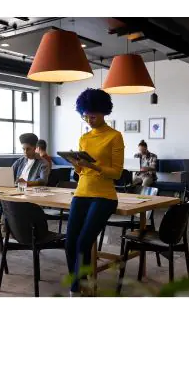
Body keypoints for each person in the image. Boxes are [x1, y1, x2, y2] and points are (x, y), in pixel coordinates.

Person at [66, 88, 124, 296]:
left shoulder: (115, 136)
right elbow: (82, 172)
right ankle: (80, 284)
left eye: (93, 116)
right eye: (85, 116)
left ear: (103, 112)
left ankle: (76, 289)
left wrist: (94, 166)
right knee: (69, 243)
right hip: (81, 193)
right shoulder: (84, 138)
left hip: (104, 196)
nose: (89, 120)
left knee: (83, 242)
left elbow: (117, 173)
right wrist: (76, 165)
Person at [0, 132, 50, 253]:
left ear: (35, 148)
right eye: (23, 149)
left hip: (29, 193)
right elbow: (9, 173)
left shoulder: (43, 163)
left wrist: (26, 183)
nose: (25, 152)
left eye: (28, 149)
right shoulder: (20, 161)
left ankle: (0, 238)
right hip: (15, 191)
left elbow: (43, 181)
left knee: (6, 202)